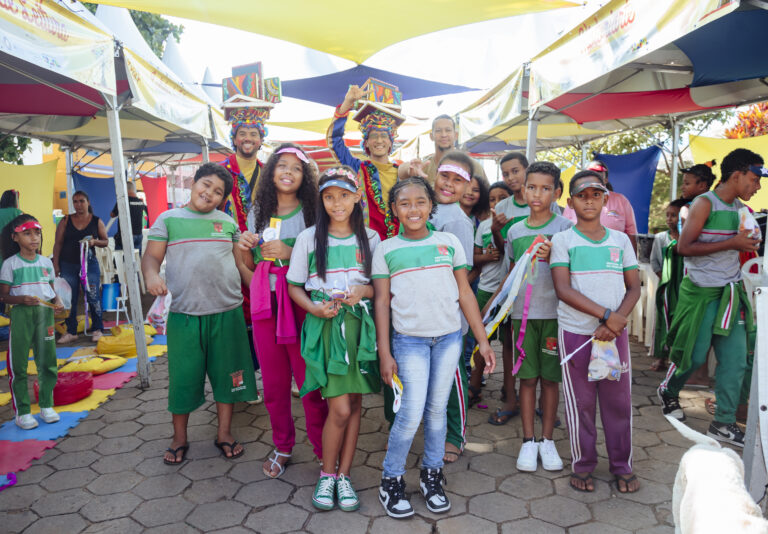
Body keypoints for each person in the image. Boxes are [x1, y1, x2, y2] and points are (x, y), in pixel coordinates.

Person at [374, 177, 496, 519]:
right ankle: (391, 478)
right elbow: (382, 302)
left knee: (438, 411)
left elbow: (465, 293)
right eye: (404, 203)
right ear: (394, 209)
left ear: (431, 206)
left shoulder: (449, 242)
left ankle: (431, 475)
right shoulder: (386, 249)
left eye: (420, 202)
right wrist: (385, 352)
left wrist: (482, 340)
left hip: (448, 340)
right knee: (410, 413)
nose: (413, 209)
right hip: (408, 340)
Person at [142, 163, 258, 465]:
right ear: (194, 183)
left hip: (228, 314)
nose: (209, 193)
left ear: (223, 199)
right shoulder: (169, 219)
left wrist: (264, 291)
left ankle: (224, 433)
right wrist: (152, 277)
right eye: (205, 185)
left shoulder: (227, 223)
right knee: (183, 378)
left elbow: (241, 266)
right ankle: (179, 438)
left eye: (218, 192)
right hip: (185, 316)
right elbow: (152, 257)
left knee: (228, 376)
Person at [287, 166, 381, 512]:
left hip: (360, 326)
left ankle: (345, 475)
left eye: (344, 195)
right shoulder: (309, 238)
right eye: (329, 196)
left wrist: (364, 290)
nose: (337, 203)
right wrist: (313, 308)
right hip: (327, 328)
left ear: (357, 197)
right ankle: (327, 474)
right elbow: (294, 285)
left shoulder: (370, 238)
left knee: (355, 404)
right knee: (339, 407)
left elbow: (379, 287)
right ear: (321, 199)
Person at [658, 149, 765, 447]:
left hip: (730, 293)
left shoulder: (741, 208)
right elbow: (684, 247)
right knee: (693, 356)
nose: (757, 186)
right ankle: (669, 390)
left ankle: (724, 423)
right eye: (754, 179)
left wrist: (749, 242)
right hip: (700, 293)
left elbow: (742, 244)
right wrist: (732, 242)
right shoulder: (704, 204)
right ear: (737, 175)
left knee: (736, 360)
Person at [237, 144, 327, 479]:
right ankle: (283, 445)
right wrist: (247, 255)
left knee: (310, 381)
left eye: (296, 168)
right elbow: (246, 264)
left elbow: (325, 255)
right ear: (271, 171)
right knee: (274, 384)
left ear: (305, 177)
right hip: (266, 305)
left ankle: (323, 449)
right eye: (281, 165)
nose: (288, 172)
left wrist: (291, 252)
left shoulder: (313, 210)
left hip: (301, 303)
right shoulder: (258, 209)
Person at [551, 170, 641, 494]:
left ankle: (622, 465)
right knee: (581, 403)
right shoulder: (563, 240)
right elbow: (563, 289)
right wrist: (606, 316)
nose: (589, 200)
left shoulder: (620, 241)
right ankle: (583, 464)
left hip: (614, 336)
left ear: (605, 199)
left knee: (618, 402)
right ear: (570, 202)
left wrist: (616, 321)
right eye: (581, 195)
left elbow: (634, 287)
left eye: (595, 194)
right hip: (577, 334)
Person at [502, 162, 572, 472]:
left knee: (551, 379)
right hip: (522, 318)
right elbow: (510, 274)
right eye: (532, 187)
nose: (537, 194)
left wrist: (554, 253)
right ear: (523, 188)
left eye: (546, 189)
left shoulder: (565, 230)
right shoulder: (514, 230)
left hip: (556, 317)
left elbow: (573, 274)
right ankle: (528, 441)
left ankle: (548, 441)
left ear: (557, 193)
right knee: (527, 378)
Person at [426, 151, 477, 463]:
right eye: (445, 176)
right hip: (422, 312)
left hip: (448, 313)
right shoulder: (428, 209)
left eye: (458, 180)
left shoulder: (458, 221)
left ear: (467, 187)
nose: (449, 184)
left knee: (453, 375)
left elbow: (464, 272)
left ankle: (456, 435)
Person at [0, 215, 65, 429]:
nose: (34, 238)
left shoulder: (46, 262)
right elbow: (4, 297)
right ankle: (23, 412)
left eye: (37, 233)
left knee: (47, 362)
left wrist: (58, 301)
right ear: (15, 237)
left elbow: (52, 290)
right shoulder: (10, 264)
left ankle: (46, 405)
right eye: (27, 233)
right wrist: (20, 299)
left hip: (44, 315)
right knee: (18, 365)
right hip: (21, 315)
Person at [327, 85, 405, 240]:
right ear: (366, 143)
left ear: (390, 143)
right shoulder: (357, 167)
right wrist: (347, 104)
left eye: (384, 136)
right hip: (366, 244)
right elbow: (335, 141)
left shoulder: (402, 171)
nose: (379, 140)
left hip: (399, 245)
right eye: (374, 136)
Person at [467, 183, 512, 397]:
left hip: (509, 292)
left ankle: (509, 389)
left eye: (502, 198)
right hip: (485, 289)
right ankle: (474, 386)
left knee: (509, 344)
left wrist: (498, 234)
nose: (496, 204)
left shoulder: (515, 224)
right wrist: (485, 257)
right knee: (481, 338)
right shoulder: (483, 226)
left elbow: (507, 252)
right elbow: (474, 260)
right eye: (492, 199)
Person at [52, 190, 107, 343]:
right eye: (75, 201)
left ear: (88, 202)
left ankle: (98, 328)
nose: (78, 205)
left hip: (90, 265)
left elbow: (106, 241)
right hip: (68, 264)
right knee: (69, 298)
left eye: (81, 201)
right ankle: (71, 331)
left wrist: (94, 242)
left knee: (94, 296)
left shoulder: (96, 221)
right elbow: (58, 244)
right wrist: (55, 264)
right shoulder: (66, 220)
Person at [562, 160, 638, 252]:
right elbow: (564, 230)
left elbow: (631, 233)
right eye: (589, 173)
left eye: (598, 173)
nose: (589, 202)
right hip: (579, 256)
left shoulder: (621, 200)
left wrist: (632, 262)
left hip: (613, 259)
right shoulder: (574, 201)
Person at [649, 198, 688, 372]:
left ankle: (677, 359)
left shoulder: (689, 239)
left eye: (674, 215)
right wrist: (665, 280)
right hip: (666, 288)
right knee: (663, 321)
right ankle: (661, 357)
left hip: (685, 287)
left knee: (682, 321)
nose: (670, 219)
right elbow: (655, 262)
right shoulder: (660, 238)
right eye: (668, 215)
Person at [398, 114, 458, 186]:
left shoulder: (468, 165)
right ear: (431, 136)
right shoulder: (425, 166)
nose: (443, 134)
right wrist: (409, 169)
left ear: (456, 135)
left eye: (448, 130)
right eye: (438, 131)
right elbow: (400, 172)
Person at [110, 181, 148, 254]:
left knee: (121, 260)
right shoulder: (140, 202)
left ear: (124, 189)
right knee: (136, 259)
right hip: (139, 234)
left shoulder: (123, 201)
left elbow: (112, 214)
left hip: (126, 235)